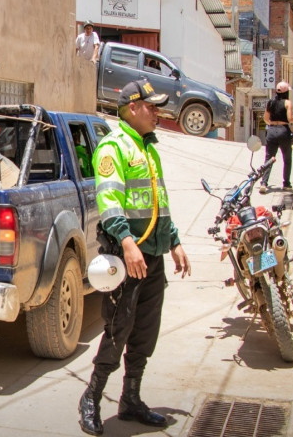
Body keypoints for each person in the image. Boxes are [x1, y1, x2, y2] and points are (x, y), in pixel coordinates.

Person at [79, 78, 191, 436]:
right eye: (152, 106)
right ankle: (91, 400)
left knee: (144, 332)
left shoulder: (148, 147)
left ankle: (131, 400)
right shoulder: (114, 148)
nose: (158, 112)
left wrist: (174, 241)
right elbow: (109, 203)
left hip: (153, 256)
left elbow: (159, 202)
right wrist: (127, 243)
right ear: (132, 108)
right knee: (117, 330)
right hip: (126, 258)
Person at [259, 81, 293, 193]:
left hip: (271, 131)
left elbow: (265, 118)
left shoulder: (270, 102)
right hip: (283, 131)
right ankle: (286, 184)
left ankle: (264, 183)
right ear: (286, 92)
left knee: (269, 158)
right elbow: (290, 119)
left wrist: (271, 123)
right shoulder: (288, 103)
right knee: (287, 159)